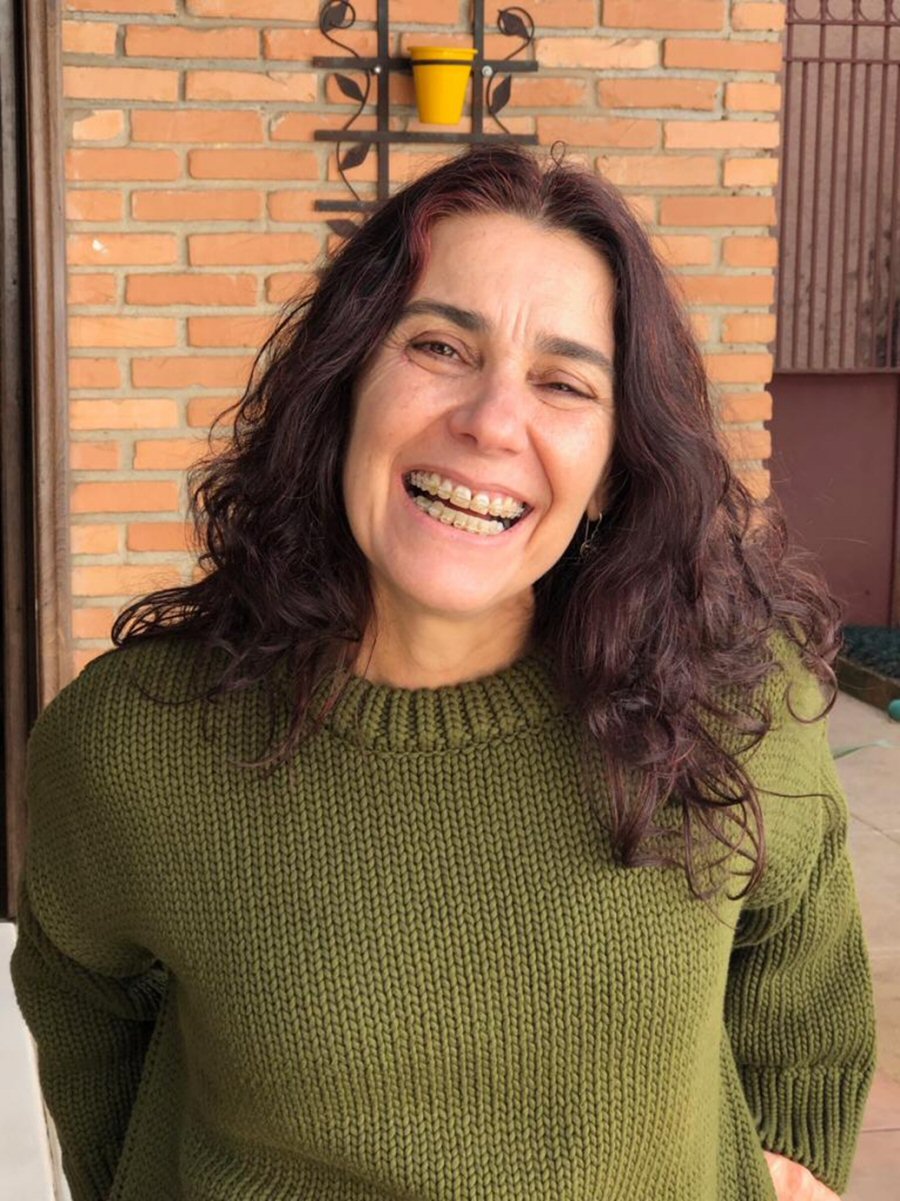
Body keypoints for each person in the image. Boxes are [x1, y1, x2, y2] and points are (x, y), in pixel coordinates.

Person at [12, 144, 875, 1201]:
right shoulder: (135, 742)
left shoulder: (731, 702)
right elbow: (81, 989)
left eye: (563, 382)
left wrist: (785, 1153)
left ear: (615, 469)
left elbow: (802, 965)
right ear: (344, 386)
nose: (491, 422)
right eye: (439, 346)